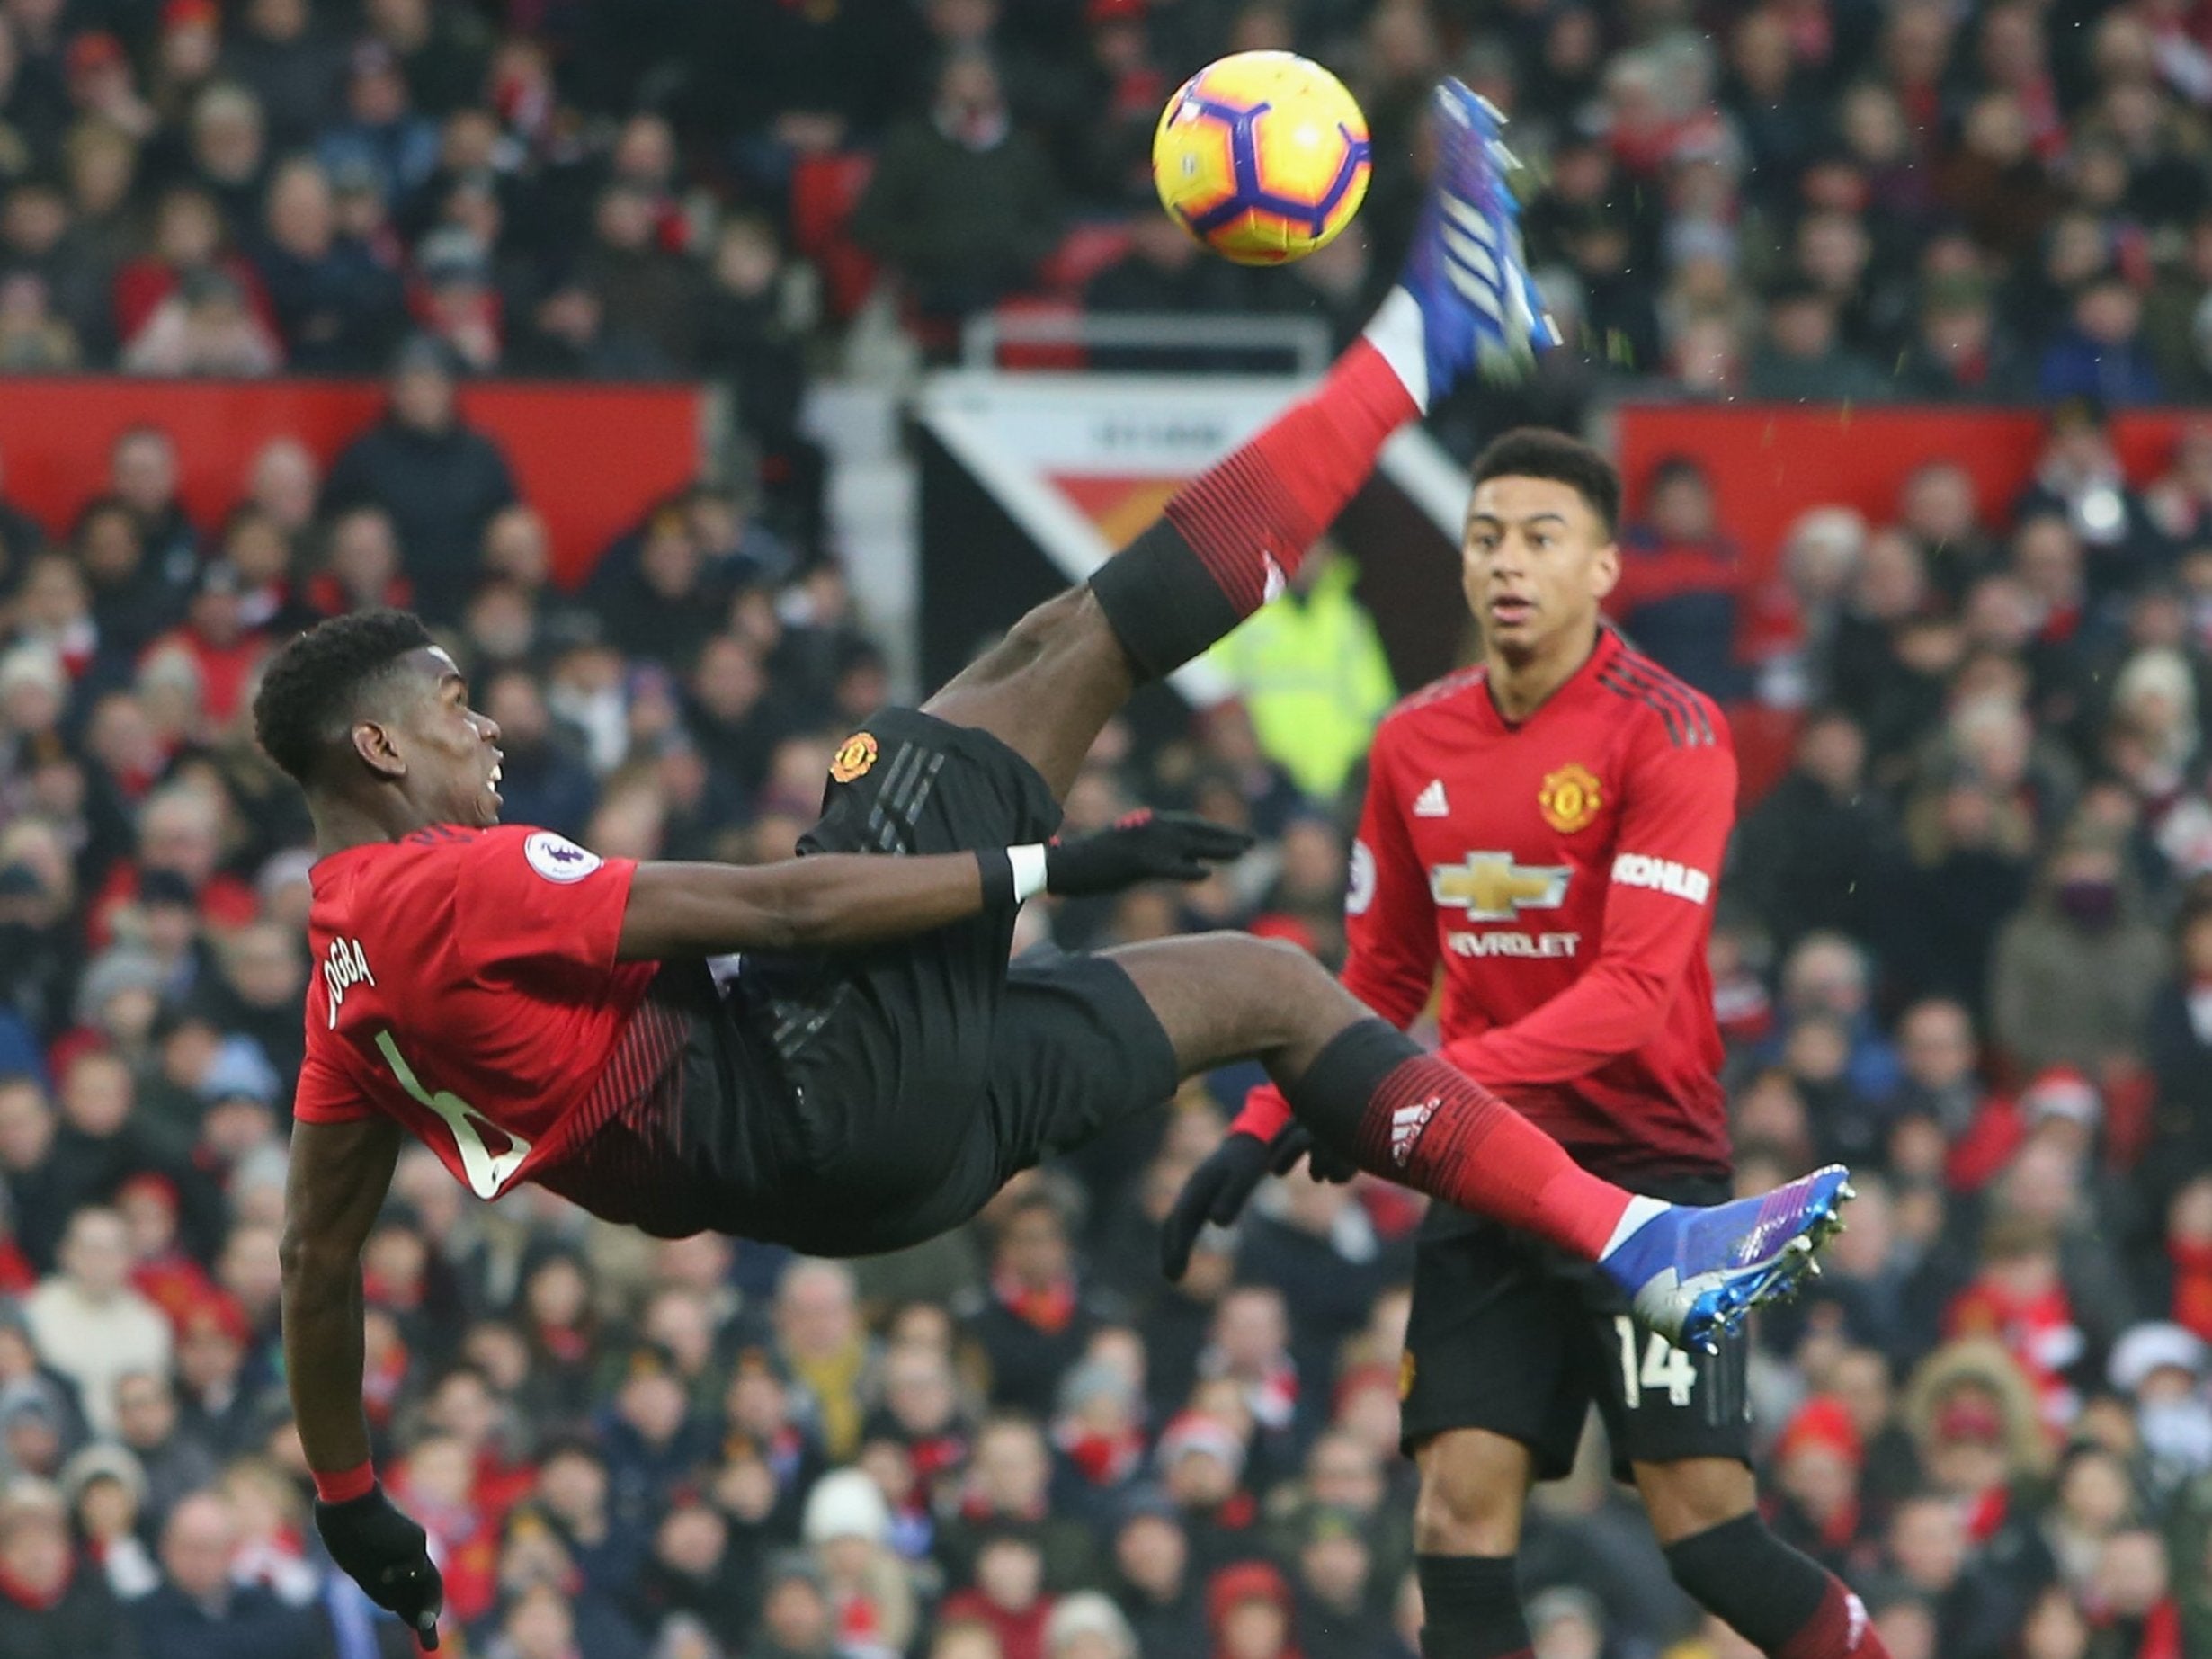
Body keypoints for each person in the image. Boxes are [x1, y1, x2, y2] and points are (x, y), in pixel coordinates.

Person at [268, 84, 1850, 1648]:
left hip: (859, 1177)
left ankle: (1633, 1237)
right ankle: (1428, 332)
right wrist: (1051, 864)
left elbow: (315, 1253)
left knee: (1269, 986)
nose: (483, 725)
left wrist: (349, 1494)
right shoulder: (451, 879)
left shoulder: (344, 991)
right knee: (1058, 655)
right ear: (381, 753)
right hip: (821, 1083)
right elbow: (783, 902)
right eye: (451, 704)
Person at [1165, 426, 1887, 1657]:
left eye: (1542, 538)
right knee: (1455, 1512)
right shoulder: (1412, 740)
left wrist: (1401, 1088)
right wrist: (1273, 1112)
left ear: (1604, 568)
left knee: (1705, 1531)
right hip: (1480, 1167)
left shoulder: (1674, 730)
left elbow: (1635, 990)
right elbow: (1383, 969)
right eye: (1487, 535)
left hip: (1645, 1177)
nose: (1509, 562)